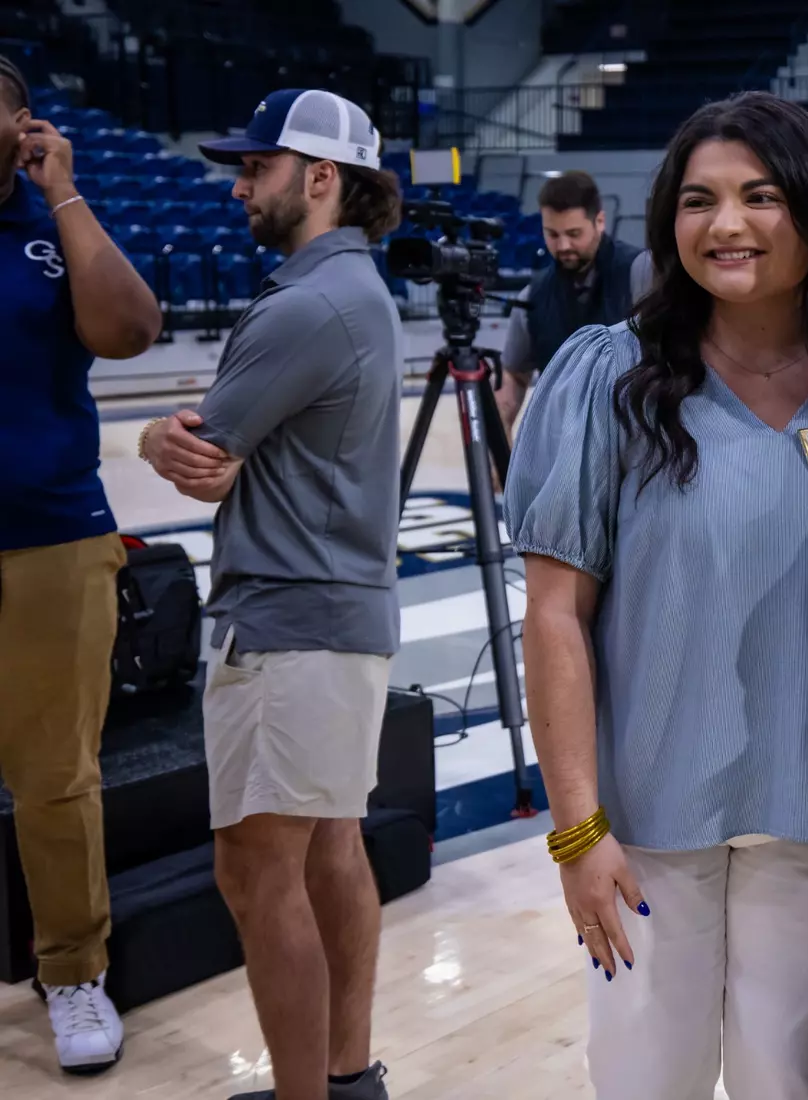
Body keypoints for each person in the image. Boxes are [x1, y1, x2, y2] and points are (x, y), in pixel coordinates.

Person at [503, 91, 808, 1100]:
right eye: (698, 200)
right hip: (646, 825)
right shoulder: (605, 377)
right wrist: (576, 830)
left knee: (798, 1080)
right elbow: (556, 614)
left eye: (761, 196)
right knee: (646, 1080)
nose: (725, 225)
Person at [139, 88, 404, 1100]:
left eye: (257, 167)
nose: (241, 184)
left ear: (321, 179)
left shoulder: (307, 304)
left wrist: (159, 435)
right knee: (332, 845)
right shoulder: (356, 293)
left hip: (289, 623)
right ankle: (344, 1077)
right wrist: (175, 437)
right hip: (341, 619)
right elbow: (211, 449)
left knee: (255, 874)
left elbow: (199, 451)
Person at [0, 53, 161, 1075]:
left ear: (22, 121)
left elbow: (132, 328)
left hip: (53, 530)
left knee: (57, 777)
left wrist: (62, 191)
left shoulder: (50, 225)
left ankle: (73, 970)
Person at [495, 170, 651, 434]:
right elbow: (513, 375)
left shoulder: (643, 272)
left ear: (599, 221)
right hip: (561, 443)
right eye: (552, 234)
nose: (564, 245)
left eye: (574, 233)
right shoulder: (531, 297)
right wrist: (499, 441)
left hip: (634, 439)